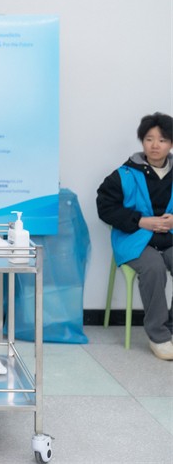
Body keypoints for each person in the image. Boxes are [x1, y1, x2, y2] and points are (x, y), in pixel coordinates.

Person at [96, 112, 173, 361]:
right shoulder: (125, 174)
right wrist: (140, 220)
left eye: (162, 140)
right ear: (142, 142)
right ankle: (159, 336)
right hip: (135, 240)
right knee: (154, 267)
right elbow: (105, 207)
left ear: (171, 144)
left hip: (169, 238)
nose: (155, 145)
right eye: (149, 139)